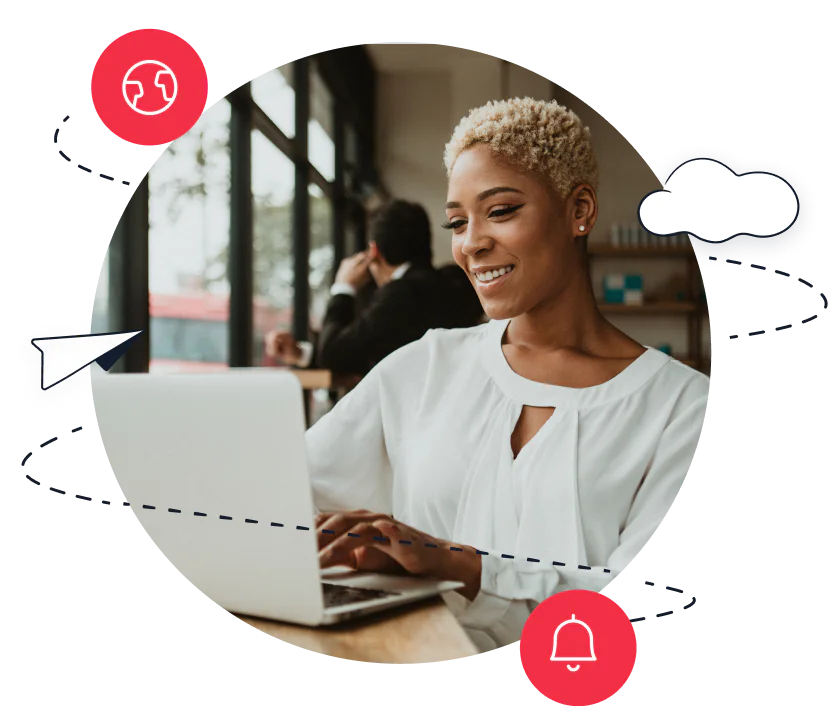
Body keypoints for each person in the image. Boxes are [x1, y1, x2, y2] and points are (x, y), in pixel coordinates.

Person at [302, 98, 712, 654]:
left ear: (579, 211)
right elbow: (287, 495)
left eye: (500, 211)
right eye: (457, 221)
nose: (471, 242)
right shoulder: (424, 366)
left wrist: (463, 567)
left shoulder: (684, 408)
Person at [264, 200, 484, 376]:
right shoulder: (456, 283)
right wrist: (301, 354)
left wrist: (343, 288)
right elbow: (365, 351)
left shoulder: (400, 294)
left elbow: (334, 354)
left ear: (373, 251)